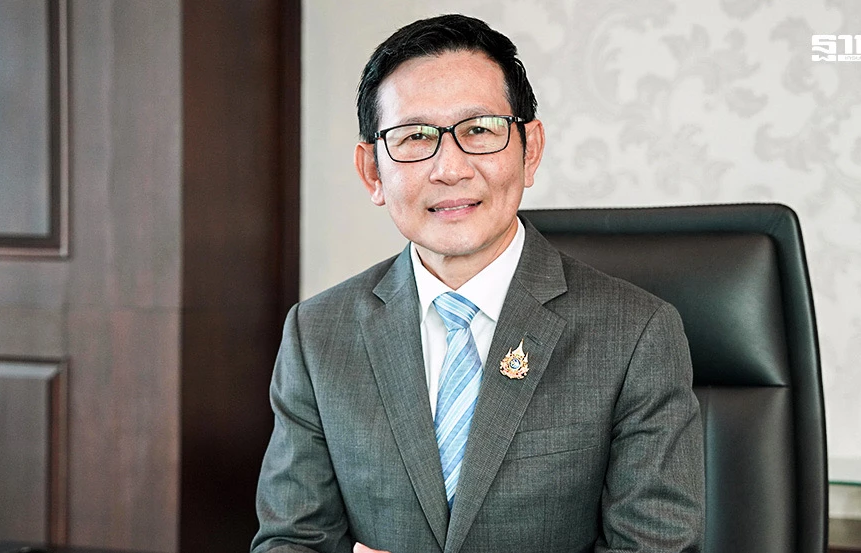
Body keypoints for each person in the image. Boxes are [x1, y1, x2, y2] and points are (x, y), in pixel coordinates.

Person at [252, 14, 703, 553]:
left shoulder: (636, 334)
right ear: (372, 171)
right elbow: (289, 540)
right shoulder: (317, 335)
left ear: (529, 150)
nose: (450, 168)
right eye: (415, 136)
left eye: (479, 130)